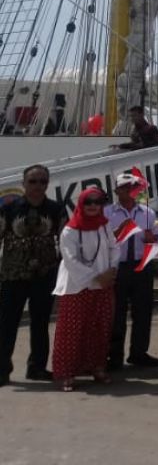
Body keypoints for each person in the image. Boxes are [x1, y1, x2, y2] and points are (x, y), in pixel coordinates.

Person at [0, 164, 65, 385]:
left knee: (40, 324)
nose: (38, 186)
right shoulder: (8, 209)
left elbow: (66, 243)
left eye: (43, 181)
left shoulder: (56, 209)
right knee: (7, 324)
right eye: (33, 181)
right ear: (23, 183)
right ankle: (2, 370)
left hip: (44, 276)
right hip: (13, 275)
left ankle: (37, 368)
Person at [51, 186, 119, 391]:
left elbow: (114, 247)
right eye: (88, 202)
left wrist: (111, 270)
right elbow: (70, 260)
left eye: (97, 202)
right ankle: (66, 374)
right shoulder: (70, 230)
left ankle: (97, 367)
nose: (93, 206)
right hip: (77, 287)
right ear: (80, 203)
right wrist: (96, 277)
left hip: (103, 285)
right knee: (71, 331)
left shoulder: (104, 226)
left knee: (100, 327)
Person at [105, 171, 158, 370]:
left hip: (141, 265)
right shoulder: (107, 213)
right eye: (124, 187)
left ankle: (138, 353)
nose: (128, 190)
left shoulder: (148, 213)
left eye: (132, 187)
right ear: (116, 190)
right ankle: (114, 356)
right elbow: (102, 239)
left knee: (143, 312)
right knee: (116, 313)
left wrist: (151, 239)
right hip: (118, 267)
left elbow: (156, 239)